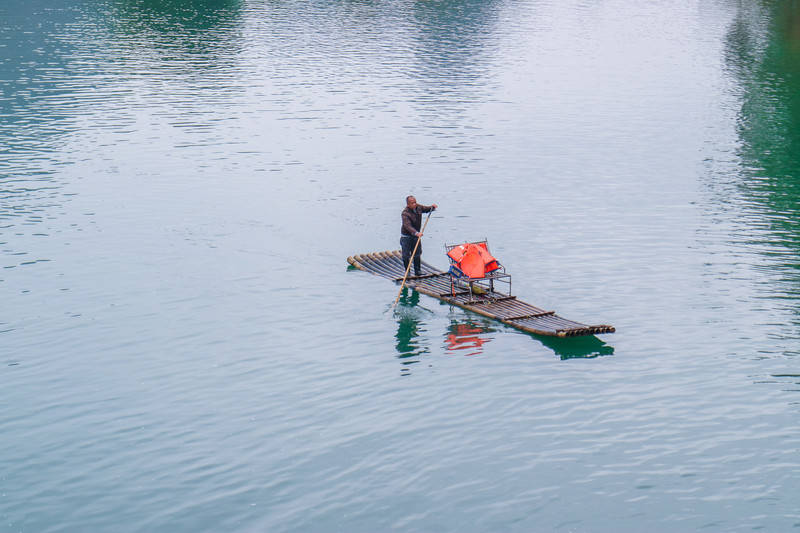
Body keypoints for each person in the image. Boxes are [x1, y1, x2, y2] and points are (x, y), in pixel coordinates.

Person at [400, 195, 437, 277]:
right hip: (406, 237)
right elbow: (407, 226)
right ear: (408, 204)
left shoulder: (418, 207)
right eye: (412, 203)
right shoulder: (405, 213)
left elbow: (427, 209)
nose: (415, 204)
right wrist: (416, 233)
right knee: (406, 255)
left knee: (417, 253)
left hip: (416, 236)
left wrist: (432, 207)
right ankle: (407, 272)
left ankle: (418, 271)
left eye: (415, 202)